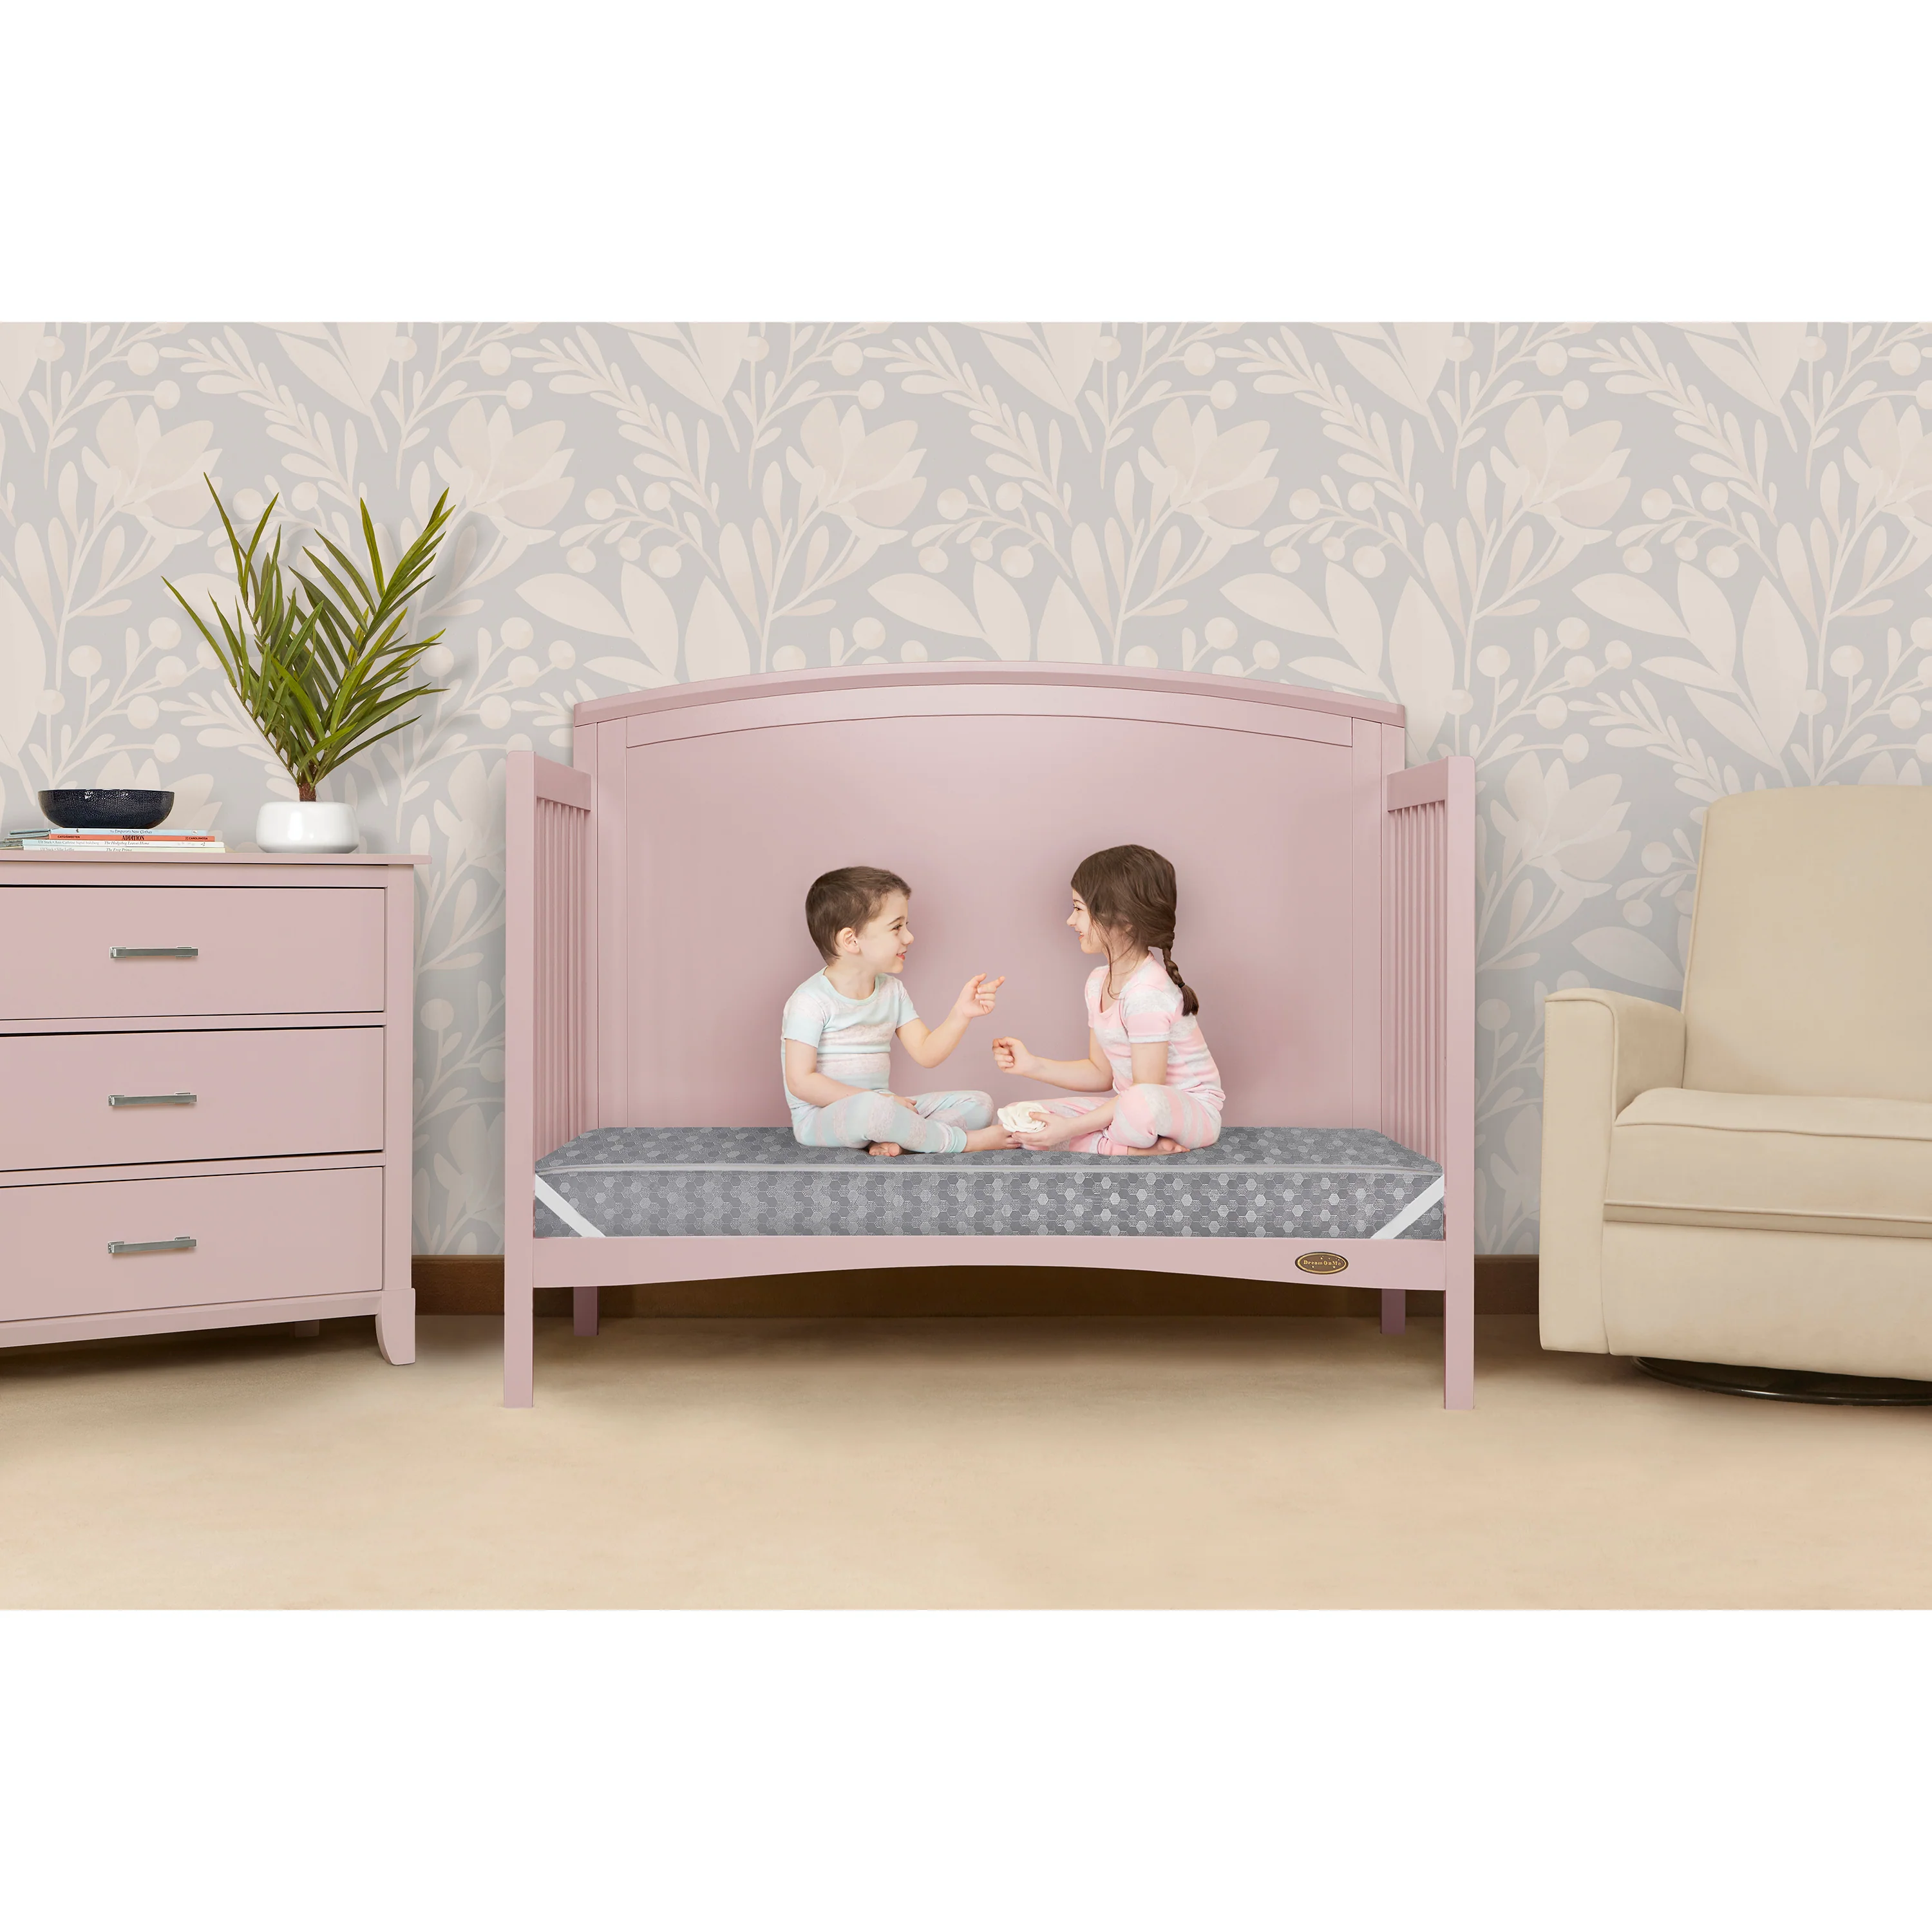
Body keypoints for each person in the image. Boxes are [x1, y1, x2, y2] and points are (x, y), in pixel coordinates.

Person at [991, 844, 1222, 1156]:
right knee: (1018, 1118)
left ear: (1124, 919)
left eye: (1079, 909)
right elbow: (1100, 1073)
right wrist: (1032, 1065)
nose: (1070, 921)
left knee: (1138, 1105)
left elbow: (1147, 1092)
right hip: (1128, 1109)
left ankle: (1110, 1144)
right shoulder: (1097, 982)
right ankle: (1121, 1144)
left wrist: (1070, 1127)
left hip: (1189, 1113)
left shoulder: (1147, 994)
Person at [782, 865, 1014, 1157]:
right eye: (896, 927)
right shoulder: (810, 1000)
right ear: (851, 940)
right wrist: (877, 1102)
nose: (909, 937)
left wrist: (961, 1014)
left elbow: (927, 1053)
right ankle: (961, 1141)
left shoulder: (892, 991)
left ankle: (901, 1139)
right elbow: (801, 1082)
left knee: (980, 1104)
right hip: (823, 1117)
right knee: (872, 1110)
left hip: (883, 1106)